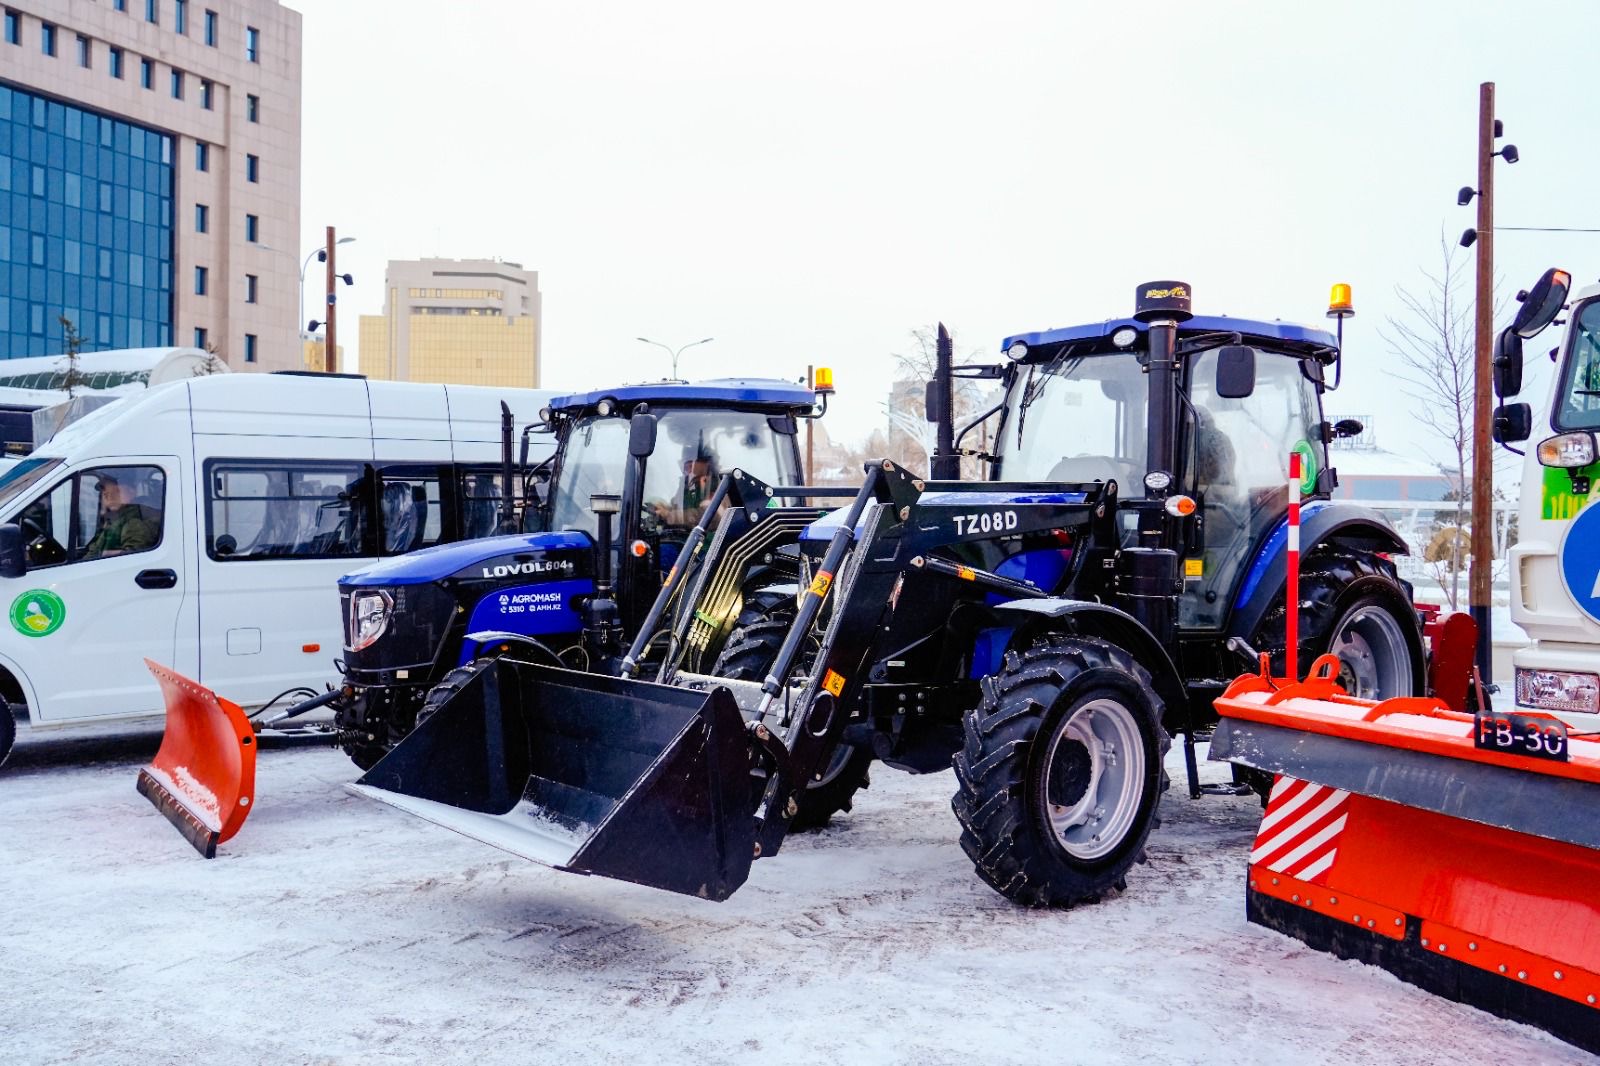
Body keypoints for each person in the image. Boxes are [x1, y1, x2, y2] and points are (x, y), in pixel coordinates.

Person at [82, 474, 159, 559]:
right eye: (105, 493)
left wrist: (106, 555)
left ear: (132, 492)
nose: (109, 497)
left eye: (116, 491)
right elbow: (93, 552)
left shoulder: (136, 520)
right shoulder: (112, 521)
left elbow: (133, 558)